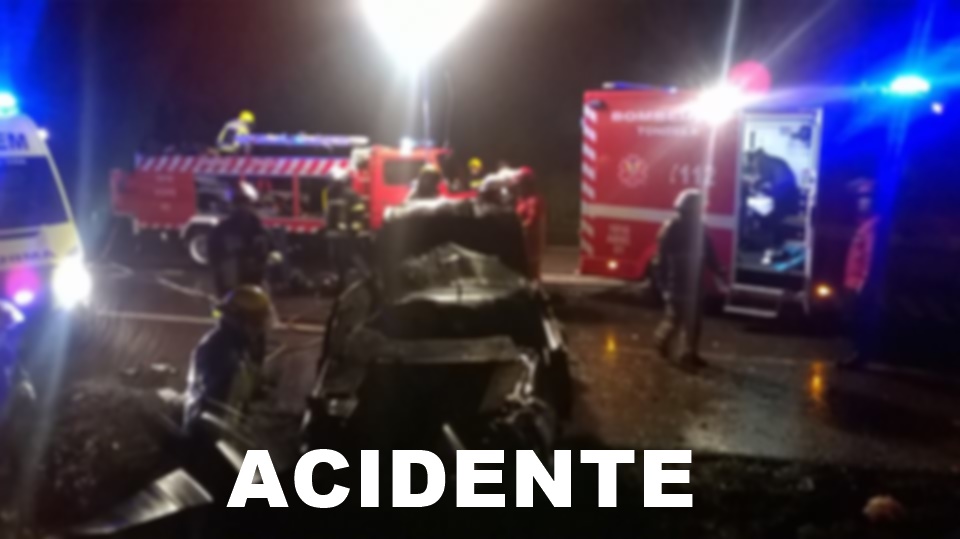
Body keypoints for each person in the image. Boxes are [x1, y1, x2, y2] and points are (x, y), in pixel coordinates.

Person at [182, 286, 271, 435]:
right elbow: (216, 402)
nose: (261, 326)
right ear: (242, 319)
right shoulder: (219, 350)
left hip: (224, 430)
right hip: (207, 435)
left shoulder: (239, 344)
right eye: (257, 320)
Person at [653, 189, 726, 368]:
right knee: (675, 320)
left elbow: (708, 252)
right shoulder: (671, 228)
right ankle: (661, 342)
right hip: (677, 282)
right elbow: (661, 259)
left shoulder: (698, 228)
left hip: (694, 282)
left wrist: (718, 270)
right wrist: (663, 284)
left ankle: (690, 354)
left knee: (694, 322)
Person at [839, 179, 880, 369]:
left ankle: (860, 356)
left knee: (860, 321)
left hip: (860, 285)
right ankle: (858, 354)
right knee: (855, 320)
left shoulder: (873, 226)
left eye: (867, 197)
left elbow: (870, 258)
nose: (862, 201)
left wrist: (864, 284)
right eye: (860, 197)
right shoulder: (864, 224)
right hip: (854, 283)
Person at [207, 181, 272, 297]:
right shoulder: (221, 231)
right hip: (233, 287)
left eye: (245, 203)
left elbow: (272, 251)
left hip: (254, 286)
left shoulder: (258, 229)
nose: (242, 207)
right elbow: (214, 258)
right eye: (238, 203)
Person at [747, 149, 801, 265]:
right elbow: (769, 181)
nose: (754, 165)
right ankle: (774, 245)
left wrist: (755, 185)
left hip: (784, 196)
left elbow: (766, 178)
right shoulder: (774, 160)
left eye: (753, 162)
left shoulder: (764, 161)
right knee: (768, 213)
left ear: (756, 158)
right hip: (789, 195)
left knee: (766, 215)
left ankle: (770, 246)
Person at [514, 167, 545, 280]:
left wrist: (518, 228)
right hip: (521, 239)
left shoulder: (534, 200)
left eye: (521, 184)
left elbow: (531, 221)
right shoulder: (521, 199)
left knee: (531, 266)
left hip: (530, 238)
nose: (518, 187)